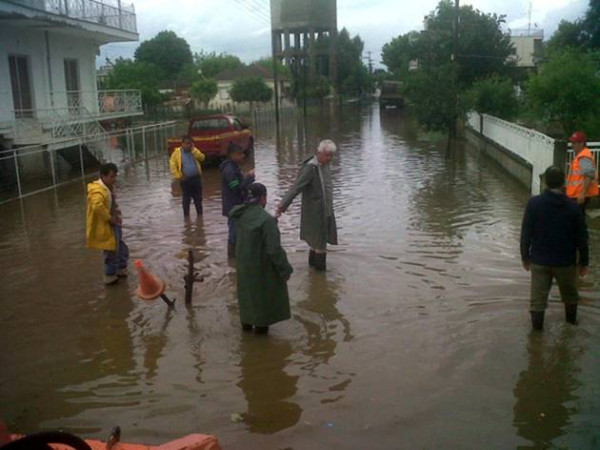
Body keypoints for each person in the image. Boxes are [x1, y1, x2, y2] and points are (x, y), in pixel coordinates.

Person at [520, 165, 589, 330]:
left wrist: (525, 256)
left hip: (539, 261)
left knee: (537, 302)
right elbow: (582, 237)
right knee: (570, 297)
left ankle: (536, 339)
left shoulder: (534, 204)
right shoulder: (573, 207)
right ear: (563, 182)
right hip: (565, 262)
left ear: (545, 182)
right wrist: (584, 262)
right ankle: (570, 328)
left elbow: (526, 232)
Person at [230, 183, 293, 335]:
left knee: (247, 304)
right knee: (262, 313)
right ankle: (261, 349)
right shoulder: (266, 221)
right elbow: (274, 250)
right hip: (261, 271)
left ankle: (246, 339)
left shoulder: (240, 216)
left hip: (244, 268)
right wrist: (286, 270)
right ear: (263, 198)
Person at [276, 139, 338, 271]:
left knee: (316, 244)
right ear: (319, 153)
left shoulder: (325, 166)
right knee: (320, 245)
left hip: (325, 210)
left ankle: (314, 279)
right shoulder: (311, 168)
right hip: (315, 213)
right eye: (327, 155)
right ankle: (321, 279)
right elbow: (296, 187)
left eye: (331, 155)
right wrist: (282, 206)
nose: (330, 158)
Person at [86, 163, 129, 285]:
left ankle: (121, 270)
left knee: (121, 248)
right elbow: (97, 206)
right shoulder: (97, 190)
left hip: (114, 223)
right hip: (106, 225)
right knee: (110, 251)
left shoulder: (108, 187)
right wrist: (110, 218)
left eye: (115, 176)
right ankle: (110, 278)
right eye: (111, 176)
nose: (114, 179)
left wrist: (116, 212)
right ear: (103, 176)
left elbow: (110, 202)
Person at [220, 143, 255, 258]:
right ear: (233, 155)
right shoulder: (229, 170)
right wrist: (249, 178)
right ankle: (232, 258)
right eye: (240, 154)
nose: (243, 156)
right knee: (233, 233)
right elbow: (236, 188)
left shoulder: (234, 167)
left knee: (237, 232)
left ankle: (235, 259)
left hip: (236, 205)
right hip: (232, 206)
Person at [169, 135, 206, 219]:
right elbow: (172, 166)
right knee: (186, 199)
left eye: (191, 143)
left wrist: (194, 151)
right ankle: (186, 218)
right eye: (187, 143)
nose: (189, 145)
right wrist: (179, 177)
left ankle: (200, 217)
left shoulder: (194, 151)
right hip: (185, 180)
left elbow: (202, 158)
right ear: (182, 144)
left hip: (196, 178)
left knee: (198, 199)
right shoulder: (177, 153)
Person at [566, 130, 598, 214]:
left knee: (577, 220)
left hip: (578, 195)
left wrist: (582, 193)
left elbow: (589, 175)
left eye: (575, 143)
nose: (572, 145)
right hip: (576, 194)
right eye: (572, 142)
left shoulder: (583, 156)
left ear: (581, 143)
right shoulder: (581, 155)